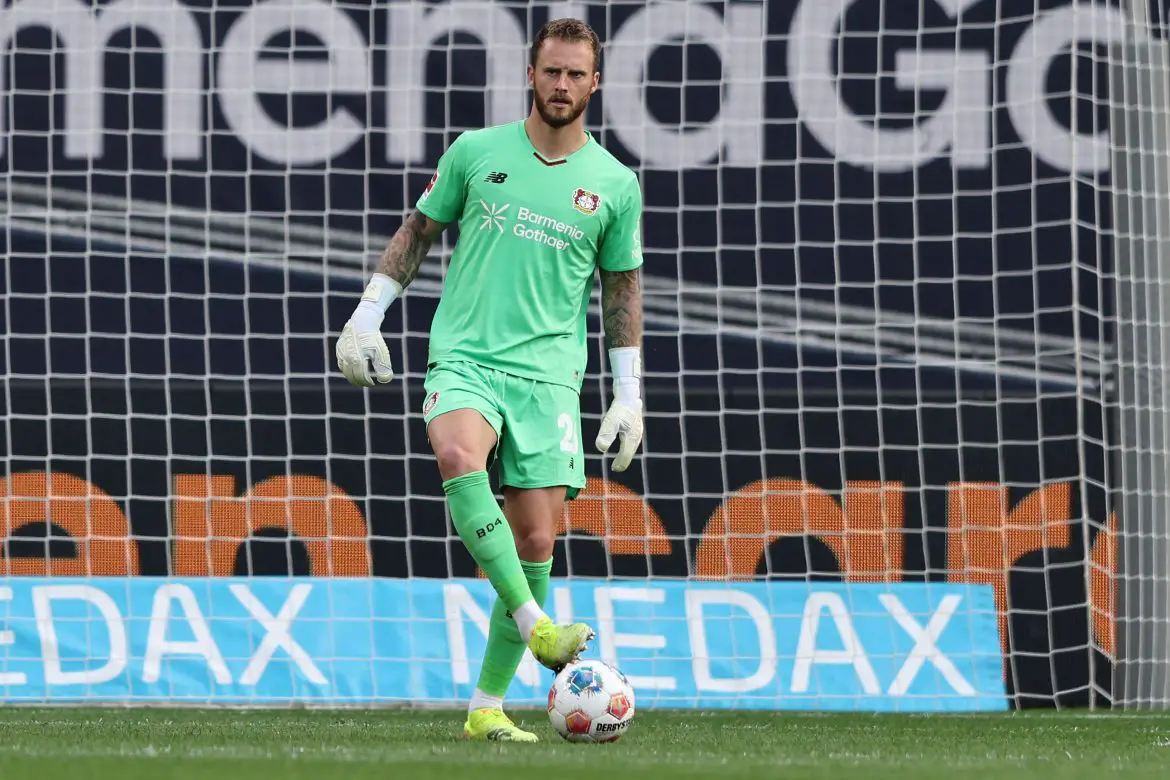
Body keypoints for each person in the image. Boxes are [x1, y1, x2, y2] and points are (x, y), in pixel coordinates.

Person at [334, 17, 645, 742]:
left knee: (536, 540)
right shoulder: (477, 153)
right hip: (466, 357)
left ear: (595, 84)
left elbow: (622, 291)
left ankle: (485, 709)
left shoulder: (615, 184)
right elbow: (418, 231)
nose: (562, 84)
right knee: (456, 456)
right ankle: (538, 626)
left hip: (550, 379)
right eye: (552, 71)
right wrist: (366, 315)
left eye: (576, 74)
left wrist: (628, 395)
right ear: (530, 75)